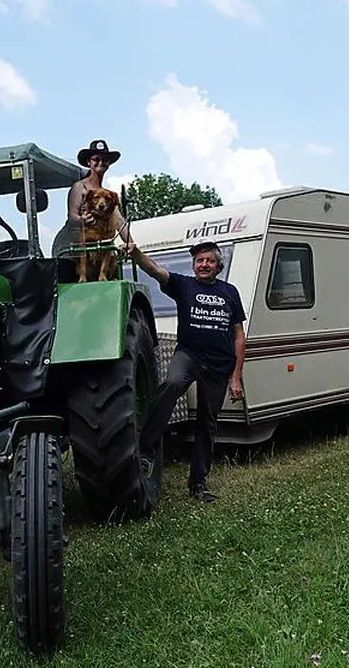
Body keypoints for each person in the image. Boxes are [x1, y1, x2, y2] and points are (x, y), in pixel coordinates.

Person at [127, 240, 246, 503]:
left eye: (209, 261)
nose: (204, 265)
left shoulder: (230, 292)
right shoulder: (184, 285)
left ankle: (198, 483)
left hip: (219, 364)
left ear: (218, 266)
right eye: (199, 261)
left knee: (208, 423)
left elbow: (238, 335)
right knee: (171, 384)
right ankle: (146, 447)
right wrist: (135, 253)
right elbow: (156, 270)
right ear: (194, 266)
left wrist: (235, 375)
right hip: (189, 354)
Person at [51, 139, 133, 258]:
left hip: (92, 249)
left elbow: (120, 221)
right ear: (89, 162)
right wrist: (82, 220)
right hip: (71, 249)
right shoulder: (80, 187)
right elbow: (72, 217)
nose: (100, 162)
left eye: (104, 160)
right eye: (96, 159)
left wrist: (130, 243)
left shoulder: (106, 196)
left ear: (109, 163)